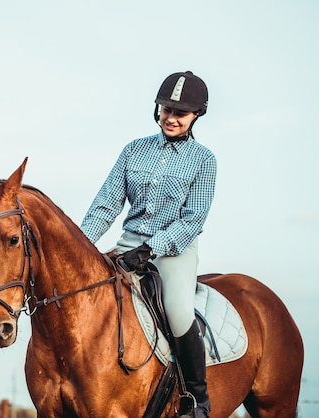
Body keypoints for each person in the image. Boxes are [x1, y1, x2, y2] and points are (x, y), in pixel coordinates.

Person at [80, 70, 216, 418]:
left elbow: (192, 220)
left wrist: (152, 249)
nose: (171, 118)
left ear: (196, 115)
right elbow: (106, 204)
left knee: (178, 310)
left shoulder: (203, 160)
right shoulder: (133, 150)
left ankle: (196, 400)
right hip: (128, 244)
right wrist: (80, 247)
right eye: (166, 109)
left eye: (180, 113)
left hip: (174, 251)